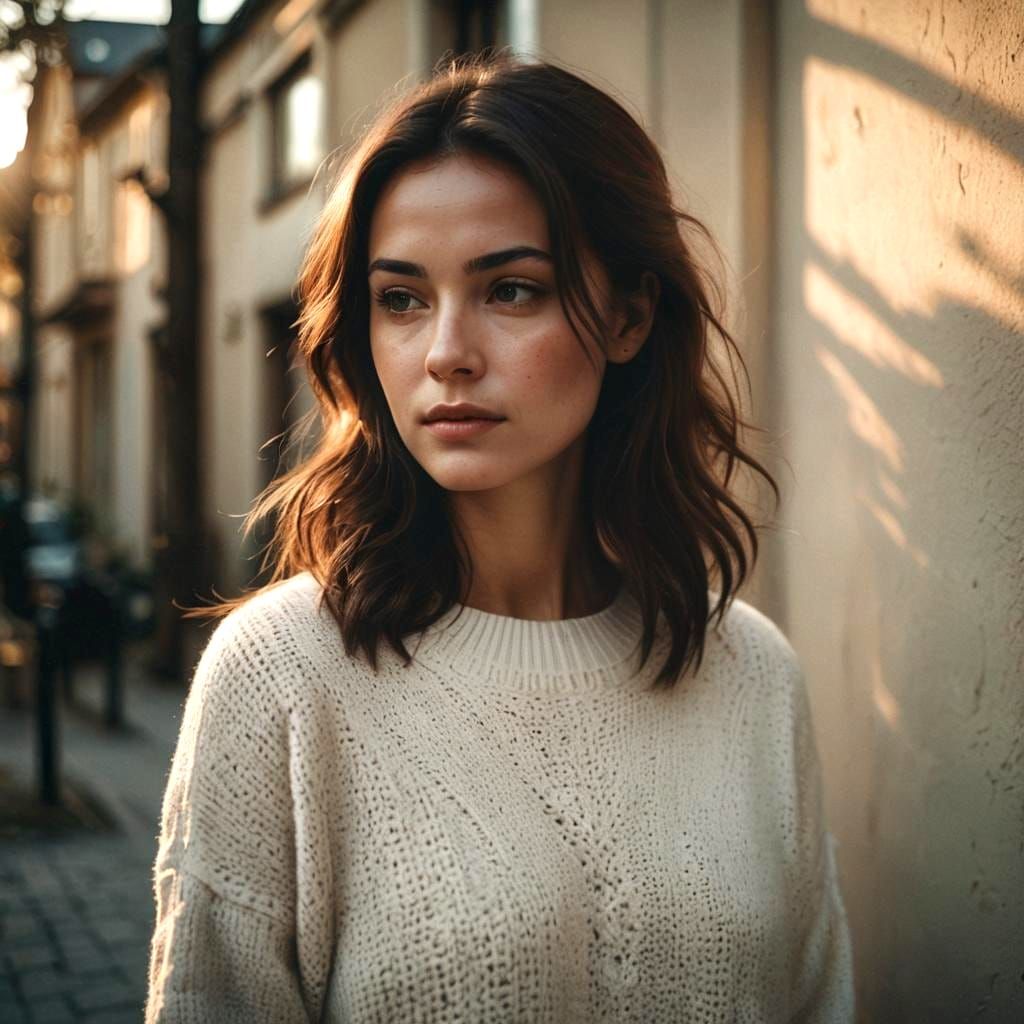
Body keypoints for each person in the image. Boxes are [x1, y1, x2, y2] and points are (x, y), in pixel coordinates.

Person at [144, 53, 854, 1023]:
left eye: (510, 289)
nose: (445, 353)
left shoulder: (753, 674)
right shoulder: (280, 676)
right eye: (400, 299)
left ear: (629, 314)